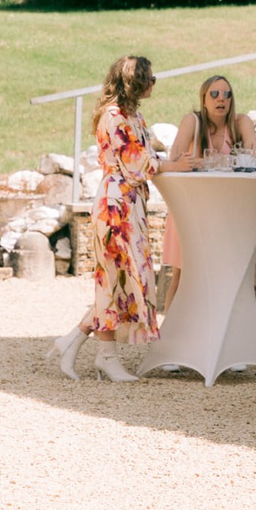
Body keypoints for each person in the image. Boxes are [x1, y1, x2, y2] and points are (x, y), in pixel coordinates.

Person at [51, 54, 162, 382]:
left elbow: (144, 158)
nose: (154, 83)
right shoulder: (114, 117)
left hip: (129, 205)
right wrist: (171, 164)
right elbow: (137, 164)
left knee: (120, 280)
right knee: (114, 280)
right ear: (135, 81)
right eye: (150, 78)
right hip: (116, 206)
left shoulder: (133, 115)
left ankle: (78, 344)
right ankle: (103, 355)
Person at [157, 74, 256, 312]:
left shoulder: (240, 123)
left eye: (226, 94)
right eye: (214, 94)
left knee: (233, 274)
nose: (220, 99)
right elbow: (175, 160)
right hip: (190, 209)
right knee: (181, 276)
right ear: (203, 99)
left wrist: (210, 161)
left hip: (225, 213)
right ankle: (171, 331)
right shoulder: (192, 122)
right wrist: (229, 161)